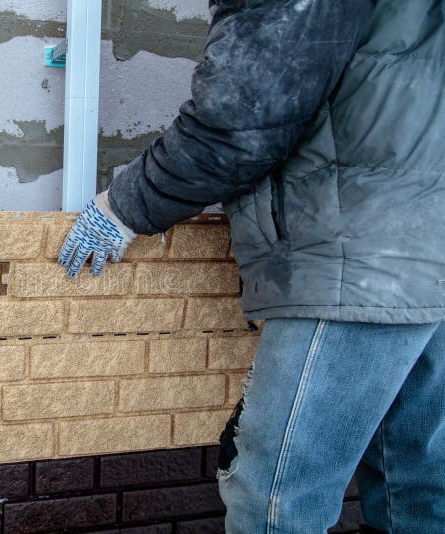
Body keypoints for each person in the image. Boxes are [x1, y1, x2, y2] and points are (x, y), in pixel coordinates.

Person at [58, 1, 445, 532]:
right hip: (427, 249)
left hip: (356, 258)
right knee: (417, 489)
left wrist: (125, 207)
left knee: (276, 501)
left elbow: (241, 119)